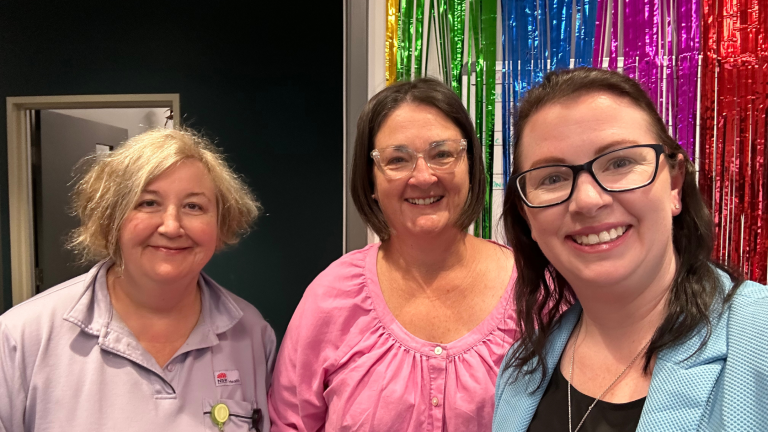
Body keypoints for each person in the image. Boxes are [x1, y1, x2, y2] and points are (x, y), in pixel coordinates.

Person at [493, 67, 768, 431]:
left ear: (673, 185)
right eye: (553, 178)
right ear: (527, 216)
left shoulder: (758, 337)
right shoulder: (519, 372)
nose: (588, 200)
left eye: (620, 162)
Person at [268, 77, 517, 431]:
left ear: (470, 165)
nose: (423, 176)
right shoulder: (331, 297)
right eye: (397, 159)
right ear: (370, 181)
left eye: (442, 154)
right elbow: (288, 424)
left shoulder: (534, 291)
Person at [0, 128, 276, 432]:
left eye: (193, 206)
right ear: (111, 218)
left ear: (221, 222)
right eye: (148, 203)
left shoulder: (251, 334)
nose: (171, 226)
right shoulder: (20, 338)